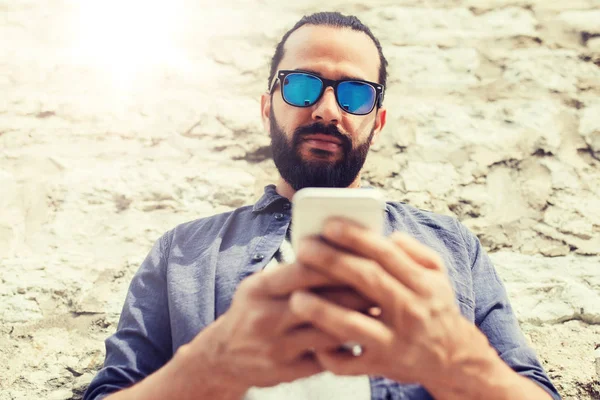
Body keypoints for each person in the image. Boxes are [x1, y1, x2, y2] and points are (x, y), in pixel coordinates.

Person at [84, 12, 561, 400]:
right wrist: (210, 368)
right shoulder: (180, 253)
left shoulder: (452, 247)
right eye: (302, 85)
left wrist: (457, 364)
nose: (328, 110)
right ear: (268, 105)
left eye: (355, 94)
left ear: (378, 122)